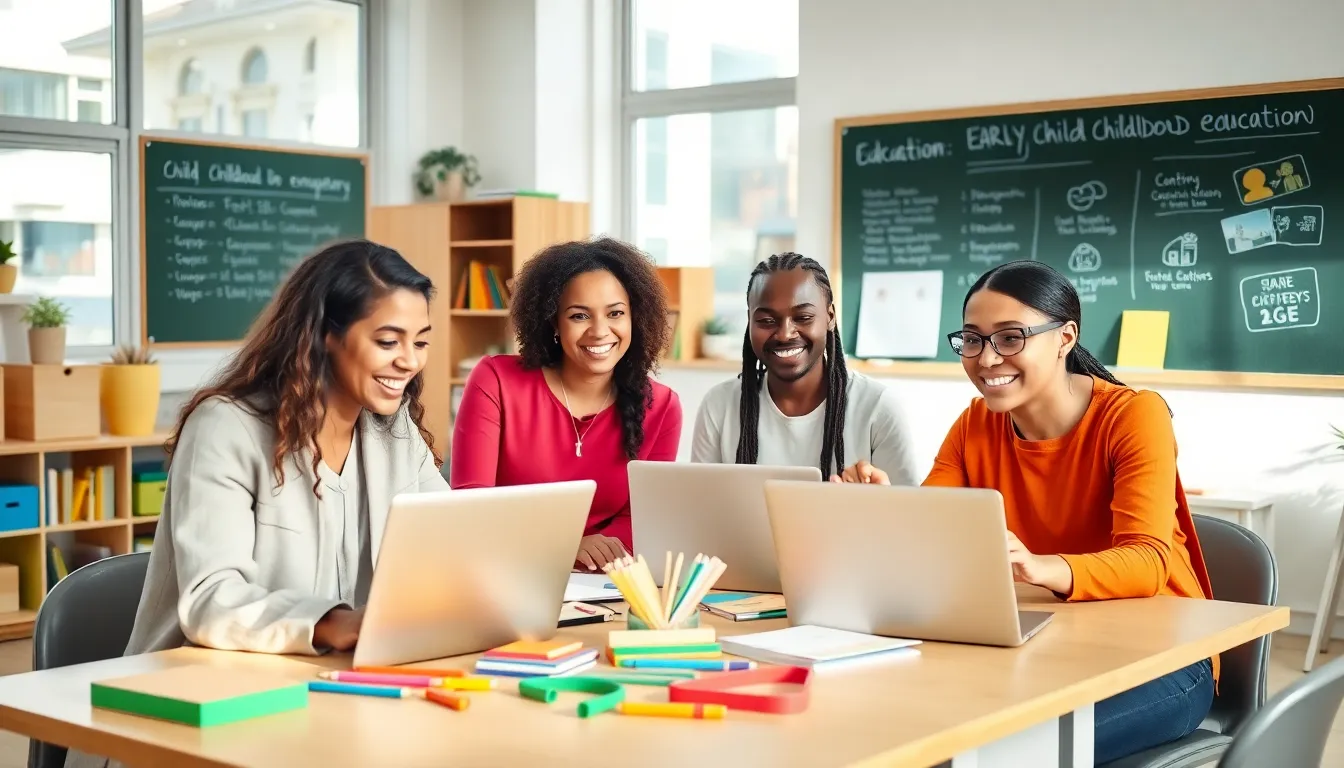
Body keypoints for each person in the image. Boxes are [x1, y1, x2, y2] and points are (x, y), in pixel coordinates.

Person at [65, 240, 446, 768]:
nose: (408, 361)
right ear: (326, 336)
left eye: (421, 342)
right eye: (388, 340)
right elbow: (209, 599)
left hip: (327, 699)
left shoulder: (392, 429)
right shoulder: (227, 427)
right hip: (188, 718)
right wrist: (328, 621)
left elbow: (448, 544)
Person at [835, 259, 1215, 764]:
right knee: (895, 726)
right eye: (972, 339)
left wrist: (1042, 565)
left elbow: (1149, 560)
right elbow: (933, 530)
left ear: (1065, 338)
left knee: (993, 754)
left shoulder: (1134, 416)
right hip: (1044, 649)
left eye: (1010, 337)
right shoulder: (975, 424)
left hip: (1163, 662)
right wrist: (883, 511)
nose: (987, 358)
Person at [450, 237, 682, 571]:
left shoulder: (662, 407)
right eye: (579, 316)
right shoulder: (495, 381)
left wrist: (587, 559)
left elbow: (641, 518)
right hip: (503, 571)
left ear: (636, 318)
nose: (600, 331)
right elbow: (471, 506)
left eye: (616, 313)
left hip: (599, 584)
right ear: (554, 323)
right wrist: (565, 546)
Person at [690, 252, 917, 483]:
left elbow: (909, 515)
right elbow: (701, 509)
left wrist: (872, 505)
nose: (785, 334)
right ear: (750, 321)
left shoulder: (878, 408)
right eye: (767, 321)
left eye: (803, 317)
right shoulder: (718, 406)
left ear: (830, 317)